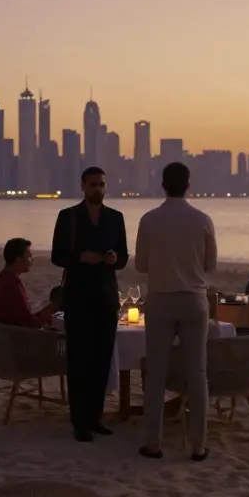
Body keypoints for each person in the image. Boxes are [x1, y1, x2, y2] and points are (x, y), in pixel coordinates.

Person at [134, 162, 216, 461]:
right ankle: (197, 445)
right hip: (194, 299)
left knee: (156, 373)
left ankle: (153, 443)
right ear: (189, 184)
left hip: (161, 300)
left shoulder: (149, 220)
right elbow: (209, 266)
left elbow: (141, 265)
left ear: (163, 185)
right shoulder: (203, 220)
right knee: (198, 374)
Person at [51, 166, 128, 442]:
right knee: (79, 359)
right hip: (78, 295)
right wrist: (81, 258)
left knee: (102, 358)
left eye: (102, 184)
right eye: (93, 184)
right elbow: (57, 256)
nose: (98, 189)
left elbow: (124, 256)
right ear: (82, 186)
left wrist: (113, 260)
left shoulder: (116, 218)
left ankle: (96, 418)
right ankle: (79, 422)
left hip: (107, 295)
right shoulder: (69, 217)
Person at [0, 238, 58, 328]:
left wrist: (47, 311)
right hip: (18, 337)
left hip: (7, 332)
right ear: (18, 259)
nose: (32, 259)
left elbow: (23, 316)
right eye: (29, 256)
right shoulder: (11, 286)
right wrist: (52, 309)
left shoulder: (2, 279)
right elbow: (30, 324)